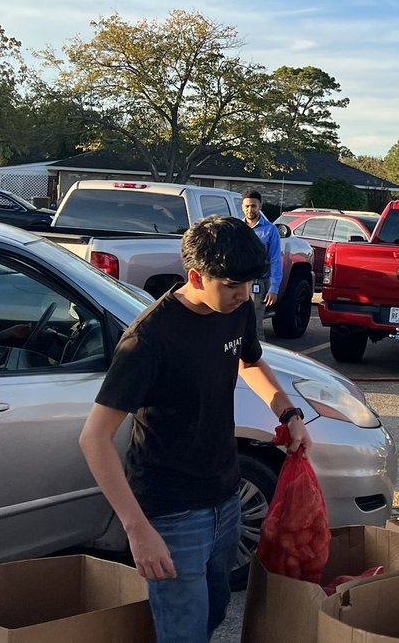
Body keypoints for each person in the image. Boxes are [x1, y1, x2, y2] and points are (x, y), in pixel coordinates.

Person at [80, 215, 311, 643]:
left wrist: (287, 411)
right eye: (232, 287)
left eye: (249, 287)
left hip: (226, 496)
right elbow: (93, 438)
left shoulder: (237, 309)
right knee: (183, 630)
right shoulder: (148, 339)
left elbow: (251, 361)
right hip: (171, 510)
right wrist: (138, 530)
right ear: (195, 276)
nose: (244, 297)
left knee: (214, 610)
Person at [242, 190, 283, 330]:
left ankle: (259, 351)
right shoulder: (238, 228)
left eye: (253, 206)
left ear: (260, 206)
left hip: (258, 283)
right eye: (247, 206)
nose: (250, 209)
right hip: (239, 282)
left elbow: (275, 260)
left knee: (255, 325)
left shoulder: (270, 230)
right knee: (237, 324)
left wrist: (274, 288)